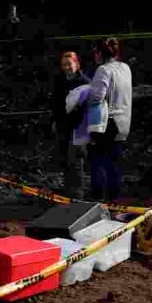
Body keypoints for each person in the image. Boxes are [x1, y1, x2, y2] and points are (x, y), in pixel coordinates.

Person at [84, 36, 133, 202]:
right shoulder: (125, 67)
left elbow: (96, 98)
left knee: (97, 161)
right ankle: (114, 201)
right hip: (123, 121)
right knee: (114, 164)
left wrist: (83, 96)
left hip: (107, 122)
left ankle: (98, 200)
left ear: (99, 53)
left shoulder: (103, 70)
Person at [51, 50, 90, 198]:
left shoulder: (85, 82)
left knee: (76, 158)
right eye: (64, 65)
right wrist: (55, 120)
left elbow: (88, 106)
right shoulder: (59, 81)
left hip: (79, 125)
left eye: (69, 64)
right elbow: (55, 103)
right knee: (65, 158)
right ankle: (68, 190)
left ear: (77, 64)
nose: (66, 67)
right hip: (63, 124)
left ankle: (77, 192)